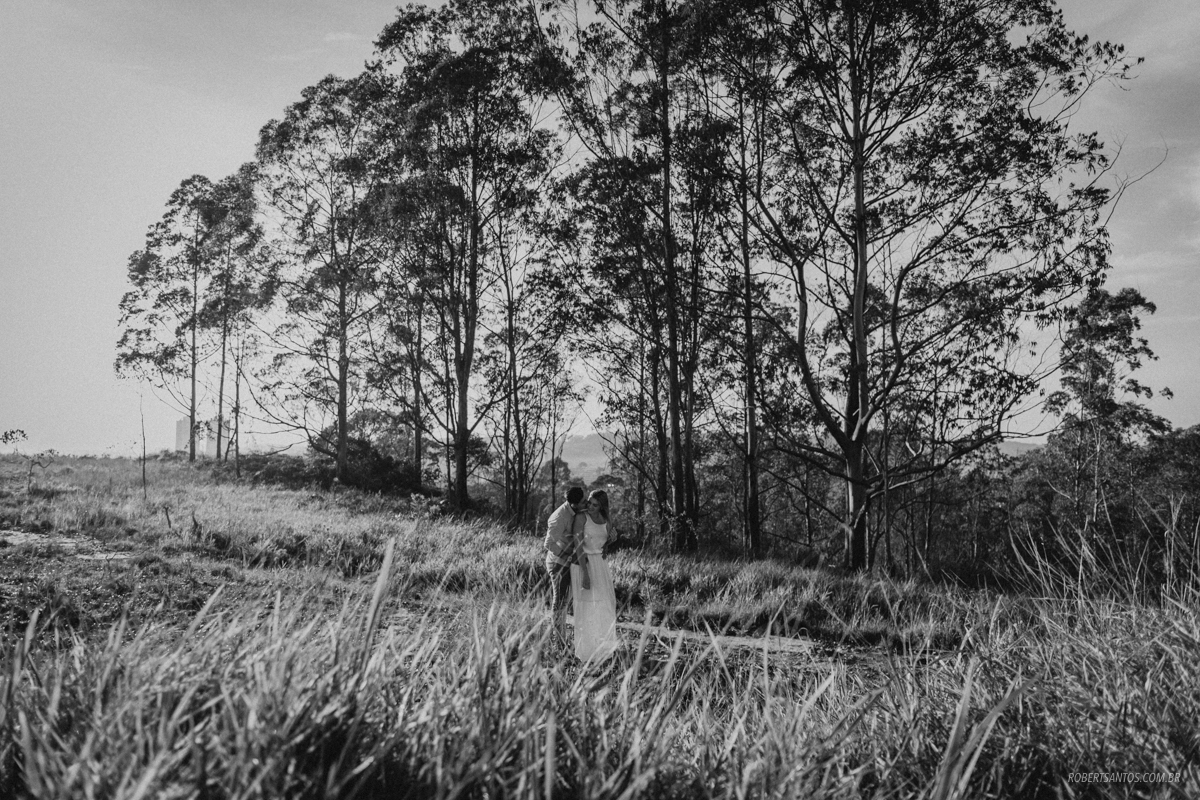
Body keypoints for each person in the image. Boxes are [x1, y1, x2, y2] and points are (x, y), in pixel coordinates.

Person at [571, 489, 620, 663]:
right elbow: (578, 547)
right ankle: (586, 652)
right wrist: (585, 574)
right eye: (589, 503)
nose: (590, 507)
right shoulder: (581, 518)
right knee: (586, 607)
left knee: (605, 604)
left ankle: (603, 650)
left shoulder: (607, 520)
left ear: (602, 507)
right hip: (583, 563)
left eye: (595, 505)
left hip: (600, 564)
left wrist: (611, 541)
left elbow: (603, 546)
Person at [545, 486, 586, 643]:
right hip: (558, 563)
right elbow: (549, 544)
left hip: (569, 562)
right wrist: (568, 556)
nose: (585, 504)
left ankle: (561, 636)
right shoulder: (560, 517)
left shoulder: (576, 511)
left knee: (567, 600)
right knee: (560, 600)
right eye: (583, 502)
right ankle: (558, 639)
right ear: (574, 504)